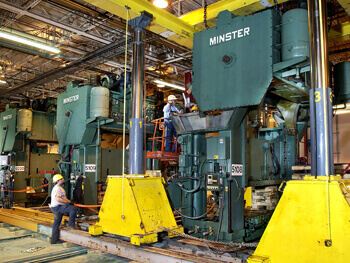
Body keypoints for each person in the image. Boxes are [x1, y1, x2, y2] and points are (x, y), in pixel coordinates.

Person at [50, 174, 77, 244]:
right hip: (58, 207)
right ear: (58, 181)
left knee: (56, 223)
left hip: (56, 207)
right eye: (62, 179)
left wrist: (69, 201)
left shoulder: (59, 187)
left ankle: (54, 239)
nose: (63, 179)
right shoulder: (57, 189)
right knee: (73, 209)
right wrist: (66, 202)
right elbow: (58, 199)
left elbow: (63, 198)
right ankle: (71, 225)